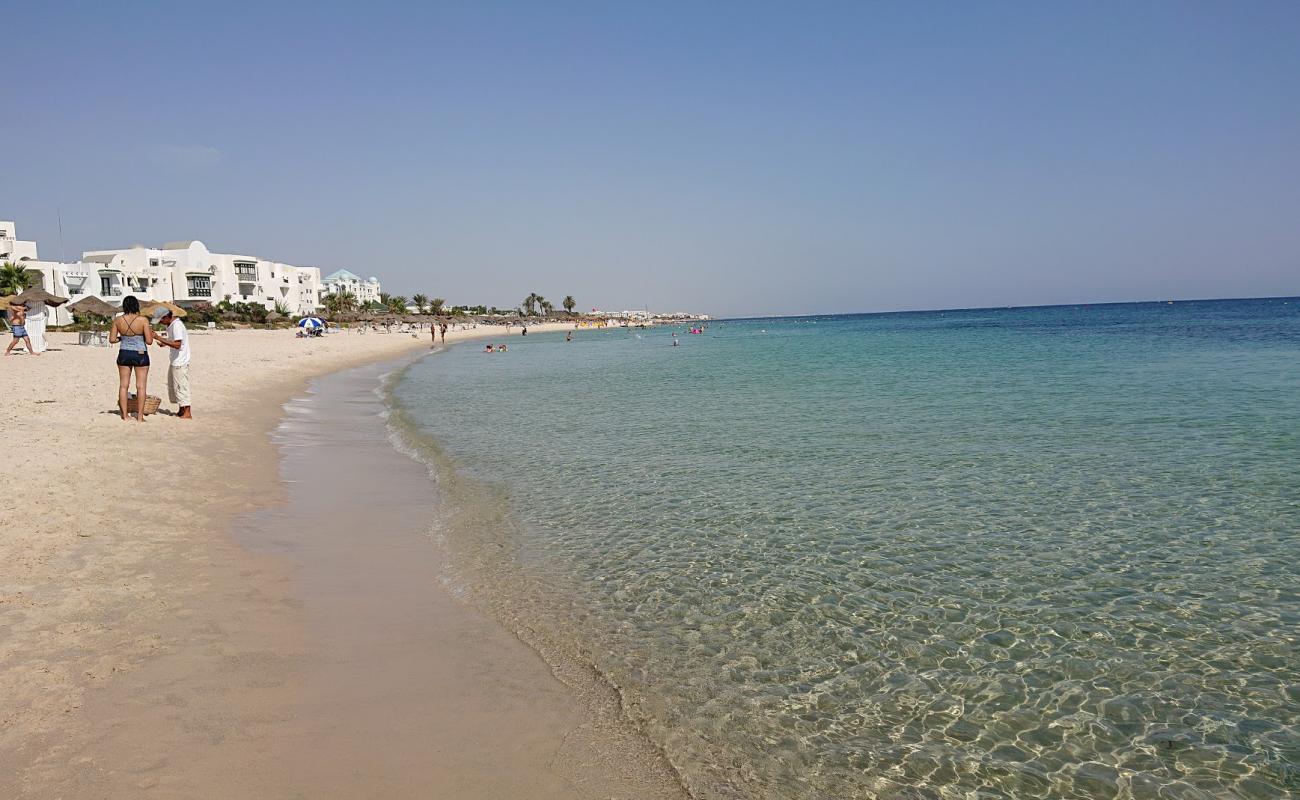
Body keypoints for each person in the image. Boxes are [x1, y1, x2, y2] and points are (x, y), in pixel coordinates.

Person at [108, 296, 154, 422]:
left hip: (124, 353)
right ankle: (140, 417)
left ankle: (125, 416)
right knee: (141, 386)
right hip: (140, 354)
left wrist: (122, 338)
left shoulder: (118, 320)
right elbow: (149, 341)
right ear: (136, 306)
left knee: (123, 386)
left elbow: (112, 340)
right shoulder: (143, 320)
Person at [151, 307, 192, 419]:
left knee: (181, 386)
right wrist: (164, 343)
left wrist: (158, 337)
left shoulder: (177, 325)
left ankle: (187, 412)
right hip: (175, 360)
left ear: (166, 316)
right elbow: (174, 341)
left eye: (161, 320)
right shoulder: (171, 325)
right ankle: (181, 410)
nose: (160, 322)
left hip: (180, 361)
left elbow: (178, 345)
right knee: (174, 386)